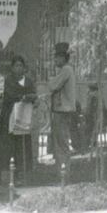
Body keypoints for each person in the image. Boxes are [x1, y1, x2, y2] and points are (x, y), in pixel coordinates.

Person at [0, 55, 37, 187]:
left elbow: (34, 95)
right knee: (3, 146)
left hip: (22, 118)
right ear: (12, 68)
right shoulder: (8, 80)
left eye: (21, 66)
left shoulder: (28, 81)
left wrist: (31, 97)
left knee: (20, 147)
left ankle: (19, 176)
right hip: (8, 117)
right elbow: (11, 95)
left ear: (24, 68)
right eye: (16, 65)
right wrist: (25, 96)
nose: (18, 68)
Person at [48, 42, 77, 174]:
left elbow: (53, 86)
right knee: (60, 142)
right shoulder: (65, 70)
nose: (55, 60)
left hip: (63, 111)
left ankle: (64, 172)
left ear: (63, 58)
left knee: (62, 143)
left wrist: (51, 79)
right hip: (61, 111)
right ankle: (62, 170)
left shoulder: (66, 70)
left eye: (57, 57)